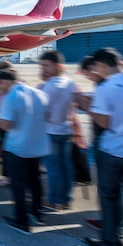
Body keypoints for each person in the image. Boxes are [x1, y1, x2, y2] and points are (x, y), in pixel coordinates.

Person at [84, 47, 123, 246]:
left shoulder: (106, 88)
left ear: (102, 65)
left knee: (109, 197)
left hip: (114, 152)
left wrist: (88, 108)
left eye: (96, 66)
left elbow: (104, 122)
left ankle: (112, 243)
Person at [0, 68, 50, 234]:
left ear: (5, 82)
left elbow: (6, 125)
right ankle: (37, 212)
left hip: (17, 147)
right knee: (35, 181)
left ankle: (21, 220)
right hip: (37, 146)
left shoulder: (10, 97)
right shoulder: (39, 93)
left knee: (18, 185)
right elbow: (48, 116)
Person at [38, 50, 78, 211]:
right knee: (66, 167)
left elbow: (43, 113)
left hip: (51, 131)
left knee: (53, 168)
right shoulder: (71, 83)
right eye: (42, 66)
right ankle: (67, 200)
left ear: (58, 66)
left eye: (46, 66)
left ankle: (53, 200)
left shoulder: (49, 86)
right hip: (66, 130)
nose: (43, 69)